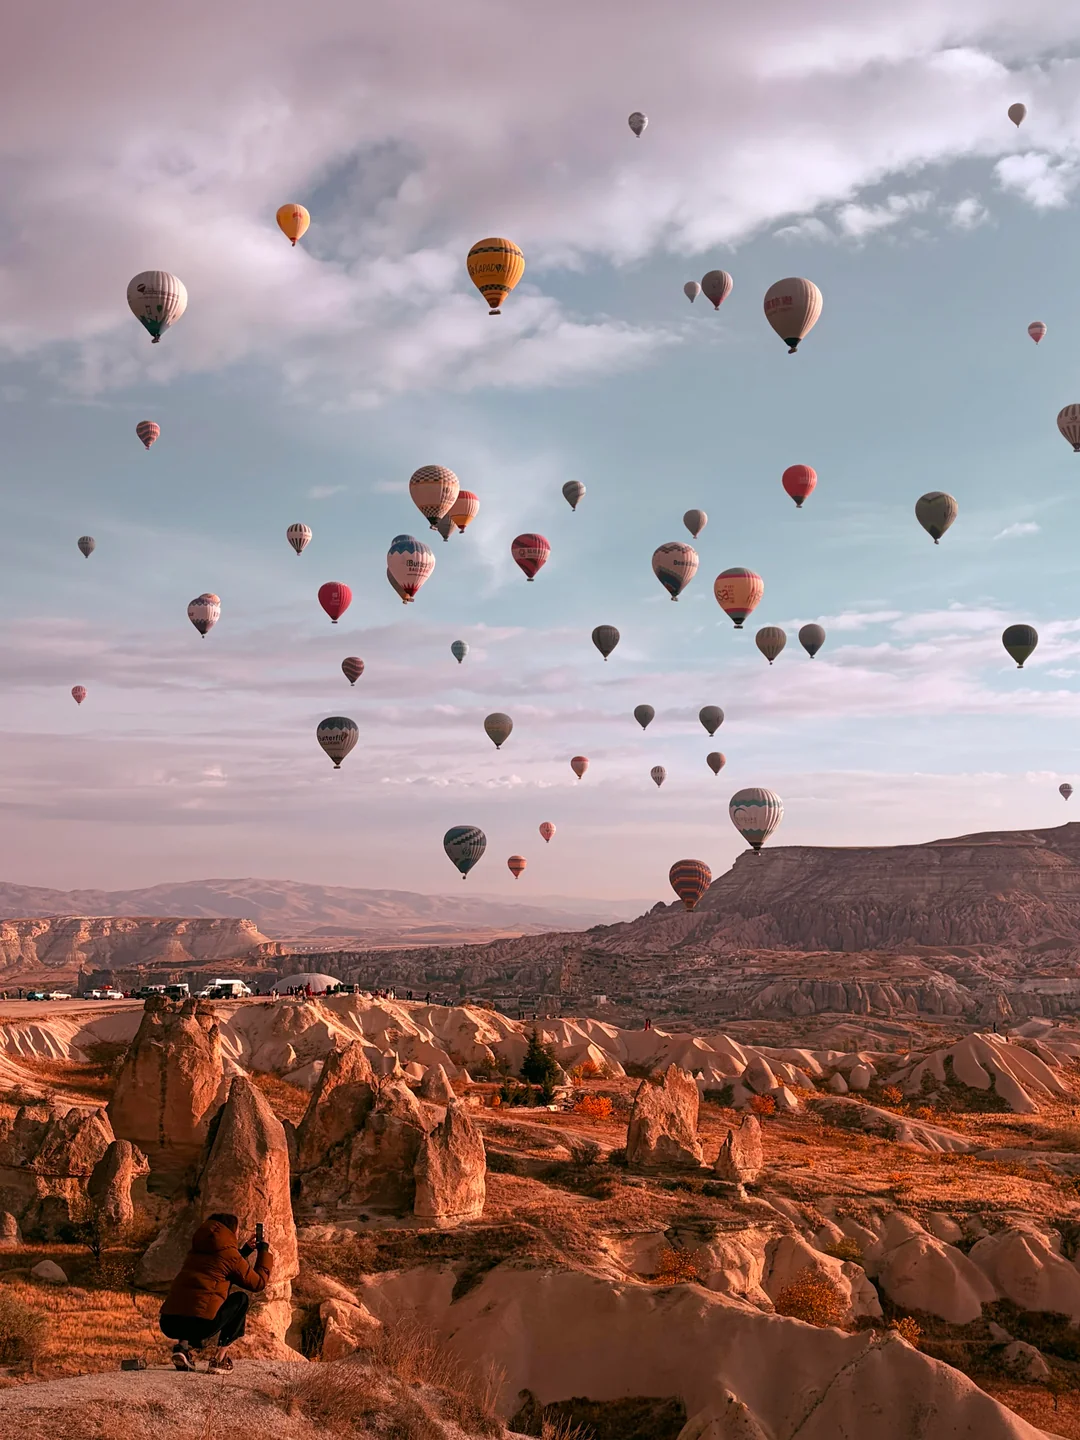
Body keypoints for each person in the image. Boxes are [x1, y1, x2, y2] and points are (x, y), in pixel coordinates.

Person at [159, 1212, 272, 1372]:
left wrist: (245, 1251)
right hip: (201, 1326)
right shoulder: (229, 1256)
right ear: (231, 1231)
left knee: (192, 1295)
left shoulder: (196, 1251)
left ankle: (182, 1348)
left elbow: (220, 1265)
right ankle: (219, 1359)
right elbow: (258, 1283)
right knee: (241, 1299)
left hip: (169, 1323)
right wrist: (263, 1251)